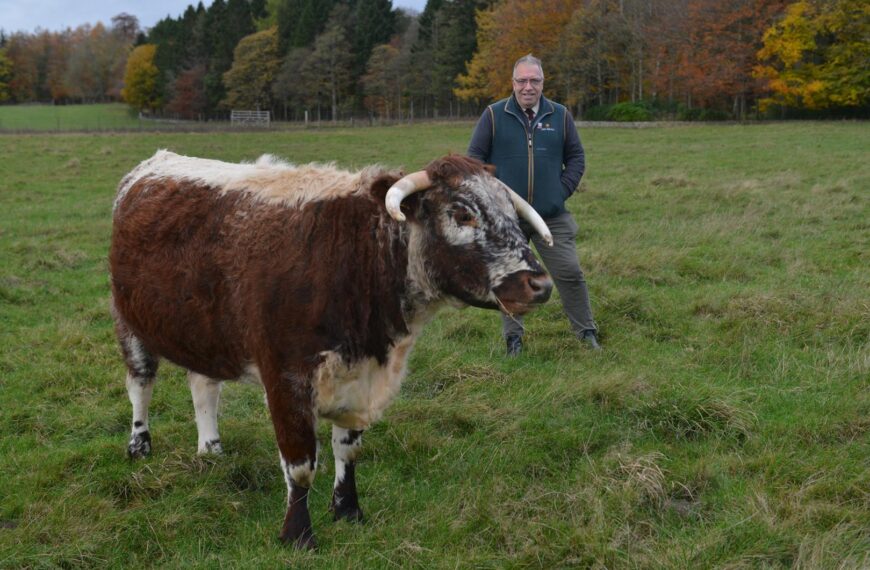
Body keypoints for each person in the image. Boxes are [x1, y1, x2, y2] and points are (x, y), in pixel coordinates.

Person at [468, 54, 600, 355]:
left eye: (535, 80)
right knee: (512, 277)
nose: (528, 86)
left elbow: (577, 158)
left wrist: (560, 191)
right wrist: (494, 200)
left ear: (543, 82)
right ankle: (513, 340)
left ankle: (586, 332)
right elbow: (474, 161)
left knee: (570, 272)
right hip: (507, 218)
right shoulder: (493, 115)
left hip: (551, 216)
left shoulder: (560, 115)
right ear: (513, 82)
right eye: (522, 80)